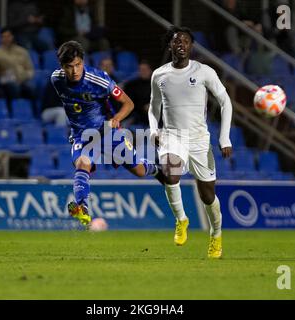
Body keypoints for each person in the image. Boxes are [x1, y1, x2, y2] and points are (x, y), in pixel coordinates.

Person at [50, 41, 164, 226]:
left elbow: (129, 104)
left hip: (108, 132)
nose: (74, 71)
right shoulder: (56, 79)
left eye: (78, 65)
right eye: (69, 67)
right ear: (62, 66)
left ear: (83, 62)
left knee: (139, 171)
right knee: (82, 163)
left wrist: (116, 118)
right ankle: (83, 209)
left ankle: (156, 168)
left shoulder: (99, 80)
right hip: (82, 135)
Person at [149, 26, 233, 259]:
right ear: (170, 46)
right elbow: (154, 108)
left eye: (185, 41)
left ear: (191, 46)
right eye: (177, 41)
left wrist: (224, 137)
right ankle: (181, 219)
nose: (181, 45)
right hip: (173, 136)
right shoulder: (159, 75)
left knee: (207, 196)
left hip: (199, 140)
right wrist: (154, 130)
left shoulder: (205, 71)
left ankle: (216, 235)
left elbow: (226, 102)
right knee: (170, 174)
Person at [0, 28, 35, 102]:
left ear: (12, 37)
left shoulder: (22, 51)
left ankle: (32, 110)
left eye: (8, 36)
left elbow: (30, 69)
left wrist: (25, 76)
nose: (6, 39)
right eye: (3, 37)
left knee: (32, 88)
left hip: (22, 80)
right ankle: (15, 108)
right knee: (14, 87)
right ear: (0, 38)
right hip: (4, 80)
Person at [123, 60, 153, 127]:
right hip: (137, 116)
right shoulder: (132, 85)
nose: (143, 72)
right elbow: (129, 103)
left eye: (145, 69)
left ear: (150, 70)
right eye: (141, 69)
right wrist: (143, 107)